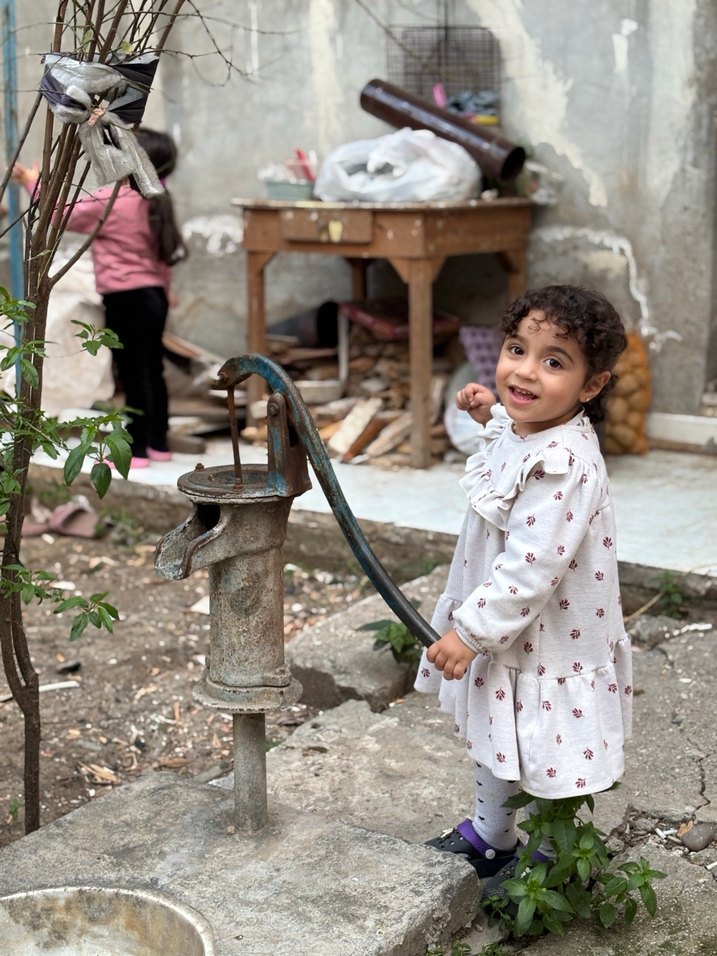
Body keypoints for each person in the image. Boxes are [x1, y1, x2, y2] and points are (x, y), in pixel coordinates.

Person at [415, 284, 632, 883]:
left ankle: (549, 854)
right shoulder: (530, 428)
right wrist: (490, 416)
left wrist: (470, 631)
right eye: (517, 349)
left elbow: (530, 568)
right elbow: (507, 453)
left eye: (553, 361)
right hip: (510, 630)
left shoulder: (566, 464)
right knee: (497, 729)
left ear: (591, 387)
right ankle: (492, 836)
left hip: (542, 632)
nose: (526, 371)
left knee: (541, 742)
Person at [12, 127, 187, 469]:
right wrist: (167, 292)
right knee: (153, 368)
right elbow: (164, 254)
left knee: (132, 372)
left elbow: (61, 214)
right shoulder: (158, 199)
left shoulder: (115, 201)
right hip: (154, 297)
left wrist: (33, 182)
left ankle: (135, 452)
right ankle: (158, 443)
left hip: (125, 298)